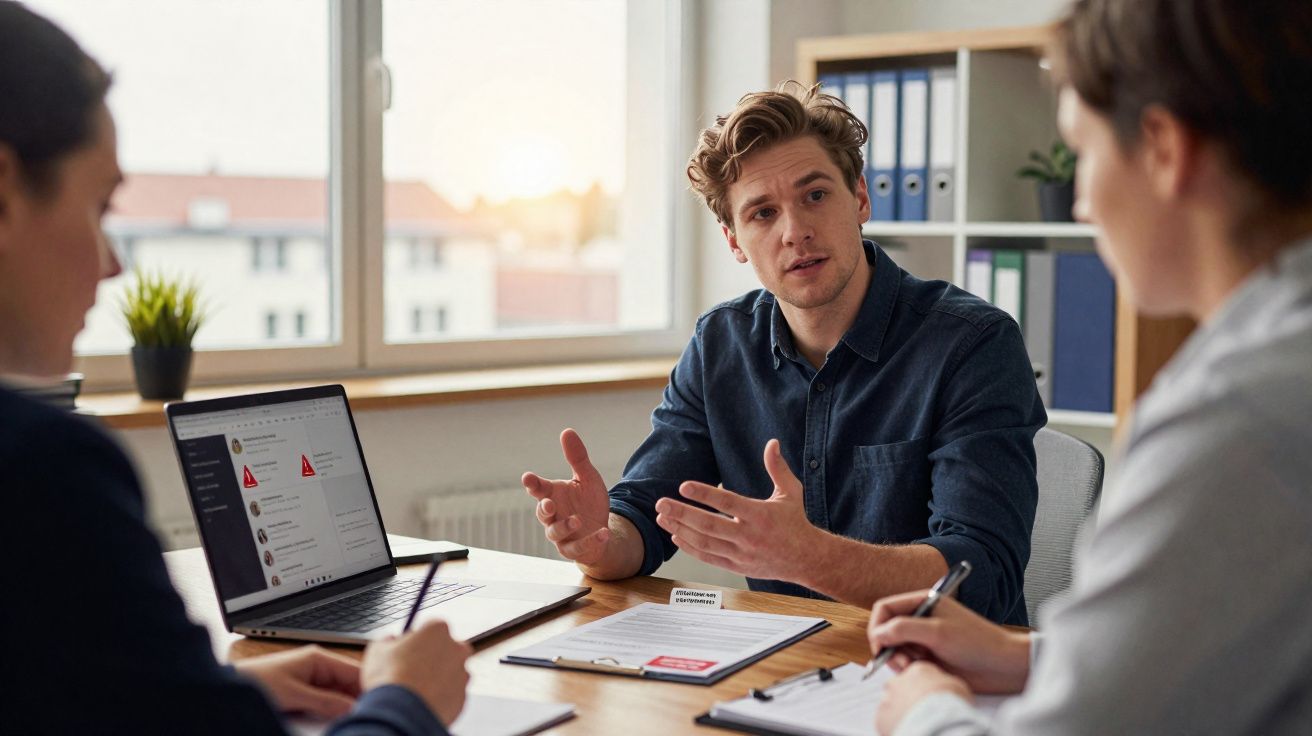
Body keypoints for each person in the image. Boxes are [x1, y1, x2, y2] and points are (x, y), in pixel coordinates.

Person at [0, 3, 471, 734]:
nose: (112, 261)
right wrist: (409, 702)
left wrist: (214, 693)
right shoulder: (40, 470)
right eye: (99, 207)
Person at [866, 0, 1312, 733]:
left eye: (1082, 150)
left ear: (1163, 148)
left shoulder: (1232, 419)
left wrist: (927, 711)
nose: (1079, 203)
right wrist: (1035, 657)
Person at [525, 82, 1045, 624]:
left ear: (860, 198)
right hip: (791, 668)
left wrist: (809, 557)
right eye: (763, 213)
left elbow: (981, 576)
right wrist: (601, 544)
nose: (795, 231)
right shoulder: (720, 345)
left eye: (815, 195)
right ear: (733, 240)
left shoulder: (973, 344)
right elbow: (647, 514)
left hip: (948, 678)